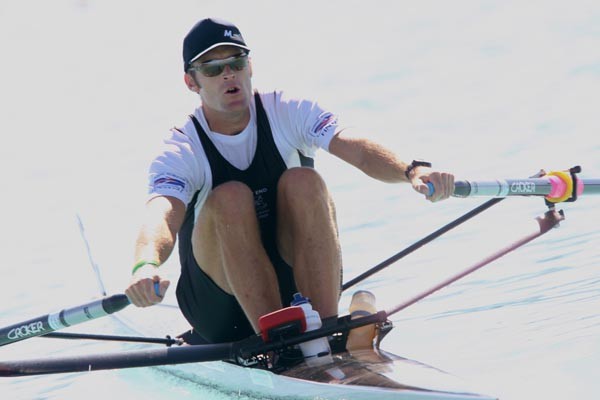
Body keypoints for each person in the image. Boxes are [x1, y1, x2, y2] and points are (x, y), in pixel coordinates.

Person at [124, 18, 454, 345]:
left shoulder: (287, 110)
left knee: (304, 181)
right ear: (191, 82)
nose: (228, 75)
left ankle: (324, 332)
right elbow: (161, 214)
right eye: (212, 69)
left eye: (236, 63)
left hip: (296, 284)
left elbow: (354, 146)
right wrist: (145, 264)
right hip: (220, 309)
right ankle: (278, 345)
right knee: (230, 197)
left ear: (250, 66)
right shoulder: (181, 148)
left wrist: (412, 170)